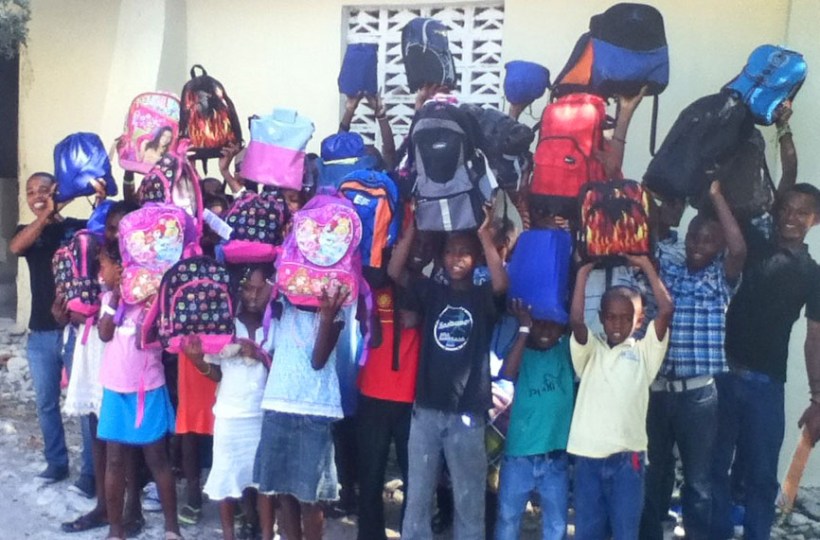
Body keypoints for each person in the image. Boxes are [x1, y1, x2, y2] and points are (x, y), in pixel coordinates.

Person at [711, 108, 820, 539]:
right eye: (787, 208)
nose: (791, 217)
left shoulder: (813, 274)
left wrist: (817, 396)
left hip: (766, 386)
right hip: (723, 373)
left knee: (760, 476)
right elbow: (788, 172)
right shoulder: (754, 241)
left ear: (814, 220)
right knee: (715, 467)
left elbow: (815, 337)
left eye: (802, 213)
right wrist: (783, 126)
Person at [640, 180, 746, 540]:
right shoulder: (668, 267)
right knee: (654, 471)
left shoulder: (721, 278)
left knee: (698, 480)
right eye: (693, 237)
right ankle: (652, 534)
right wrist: (647, 192)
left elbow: (739, 249)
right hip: (657, 390)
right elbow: (649, 232)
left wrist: (715, 195)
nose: (698, 245)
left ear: (718, 247)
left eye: (707, 241)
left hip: (698, 396)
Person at [399, 205, 508, 540]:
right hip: (427, 411)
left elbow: (502, 283)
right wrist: (415, 228)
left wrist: (484, 235)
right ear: (441, 256)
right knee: (417, 498)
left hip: (467, 414)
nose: (456, 258)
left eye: (464, 253)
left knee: (469, 501)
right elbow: (395, 270)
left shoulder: (481, 297)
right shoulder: (431, 292)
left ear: (475, 259)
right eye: (449, 252)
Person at [568, 257, 673, 540]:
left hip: (628, 461)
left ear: (639, 320)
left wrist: (646, 266)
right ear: (601, 318)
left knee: (626, 531)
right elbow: (576, 319)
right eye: (612, 317)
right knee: (588, 532)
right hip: (588, 459)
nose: (618, 323)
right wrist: (583, 272)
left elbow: (666, 309)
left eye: (627, 317)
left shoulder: (644, 353)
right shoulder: (590, 352)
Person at [59, 201, 140, 534]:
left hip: (121, 356)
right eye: (111, 228)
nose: (116, 235)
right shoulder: (97, 260)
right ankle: (105, 508)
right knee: (97, 431)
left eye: (123, 229)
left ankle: (132, 510)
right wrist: (69, 310)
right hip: (91, 350)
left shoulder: (141, 269)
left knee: (124, 439)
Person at [95, 241, 181, 540]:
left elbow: (153, 340)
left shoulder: (151, 299)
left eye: (103, 265)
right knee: (115, 459)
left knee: (157, 459)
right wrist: (117, 293)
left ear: (121, 267)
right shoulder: (109, 297)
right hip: (115, 389)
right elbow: (105, 333)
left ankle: (172, 528)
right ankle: (115, 529)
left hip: (148, 388)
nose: (99, 272)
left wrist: (139, 294)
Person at [185, 264, 274, 540]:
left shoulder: (275, 326)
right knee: (226, 477)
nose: (253, 296)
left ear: (272, 290)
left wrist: (260, 356)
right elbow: (217, 373)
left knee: (262, 483)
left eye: (261, 290)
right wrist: (198, 361)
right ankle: (228, 535)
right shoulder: (225, 325)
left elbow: (282, 373)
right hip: (228, 415)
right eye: (248, 288)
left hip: (262, 415)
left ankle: (266, 532)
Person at [254, 287, 348, 540]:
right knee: (283, 492)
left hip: (314, 409)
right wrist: (279, 278)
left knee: (310, 496)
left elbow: (318, 361)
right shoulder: (284, 300)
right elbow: (257, 303)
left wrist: (327, 315)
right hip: (278, 404)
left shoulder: (336, 309)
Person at [10, 172, 85, 483]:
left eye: (43, 189)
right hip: (40, 332)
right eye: (31, 191)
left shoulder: (74, 228)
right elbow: (15, 248)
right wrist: (44, 215)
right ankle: (57, 463)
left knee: (83, 404)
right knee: (45, 404)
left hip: (75, 331)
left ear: (56, 190)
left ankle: (92, 472)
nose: (36, 195)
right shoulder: (26, 231)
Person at [494, 299, 573, 540]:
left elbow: (576, 324)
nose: (546, 331)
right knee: (508, 519)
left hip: (555, 459)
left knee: (556, 522)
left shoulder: (566, 352)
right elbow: (507, 374)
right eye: (539, 324)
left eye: (553, 325)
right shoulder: (521, 353)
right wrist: (524, 328)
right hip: (518, 457)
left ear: (562, 327)